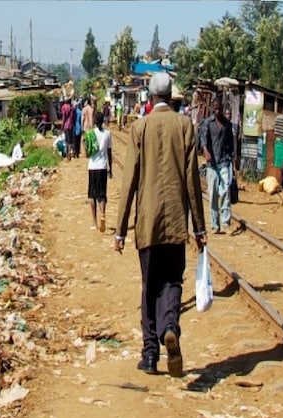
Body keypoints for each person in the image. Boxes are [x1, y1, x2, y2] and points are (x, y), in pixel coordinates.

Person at [114, 72, 207, 378]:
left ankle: (150, 354)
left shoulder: (140, 127)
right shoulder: (185, 126)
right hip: (177, 223)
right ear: (171, 97)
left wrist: (119, 229)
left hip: (148, 224)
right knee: (173, 281)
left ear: (150, 97)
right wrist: (199, 226)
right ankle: (171, 325)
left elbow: (129, 182)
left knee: (149, 286)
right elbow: (193, 181)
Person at [201, 98, 236, 234]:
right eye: (215, 109)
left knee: (225, 190)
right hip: (212, 164)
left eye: (219, 108)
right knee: (213, 193)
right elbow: (203, 138)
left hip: (224, 162)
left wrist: (233, 162)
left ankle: (226, 223)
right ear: (212, 109)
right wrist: (205, 150)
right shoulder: (207, 123)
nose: (217, 111)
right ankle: (215, 225)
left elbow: (231, 144)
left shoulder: (227, 125)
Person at [87, 112, 113, 231]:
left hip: (92, 166)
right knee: (102, 194)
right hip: (103, 167)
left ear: (94, 121)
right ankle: (103, 215)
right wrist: (110, 169)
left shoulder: (90, 134)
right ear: (103, 121)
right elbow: (109, 153)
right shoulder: (107, 134)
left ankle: (94, 222)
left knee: (92, 195)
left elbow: (87, 152)